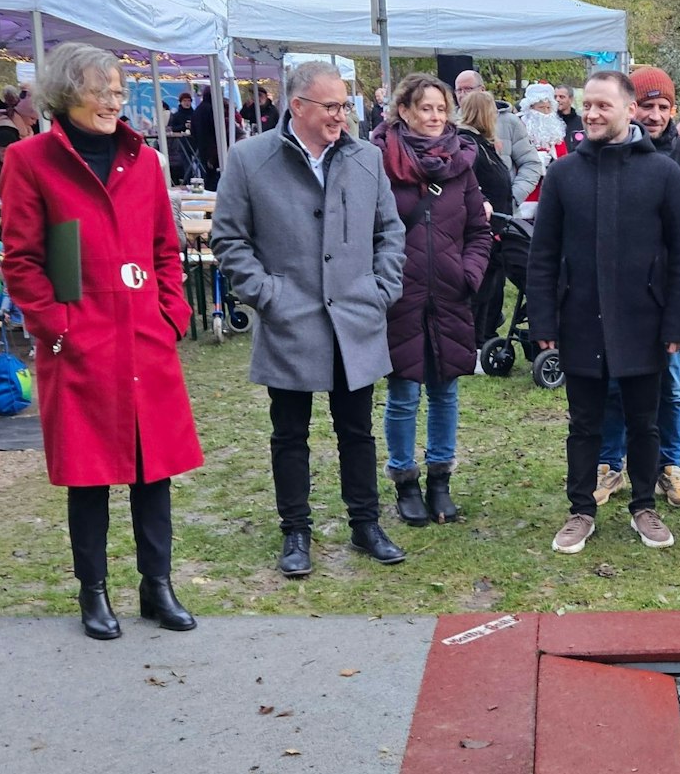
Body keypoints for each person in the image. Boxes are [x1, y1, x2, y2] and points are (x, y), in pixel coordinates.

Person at [0, 43, 203, 640]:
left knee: (152, 469)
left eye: (119, 91)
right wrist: (58, 327)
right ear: (67, 94)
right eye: (102, 91)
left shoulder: (143, 161)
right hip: (79, 343)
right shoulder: (30, 161)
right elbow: (23, 260)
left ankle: (157, 585)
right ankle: (94, 591)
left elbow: (166, 248)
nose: (115, 102)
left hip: (144, 336)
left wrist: (171, 314)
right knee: (89, 475)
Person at [212, 60, 408, 574]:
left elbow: (390, 232)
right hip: (289, 317)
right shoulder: (250, 159)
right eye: (331, 106)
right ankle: (295, 532)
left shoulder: (366, 158)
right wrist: (266, 294)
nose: (341, 116)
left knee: (357, 430)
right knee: (290, 432)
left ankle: (366, 524)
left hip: (355, 317)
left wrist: (381, 288)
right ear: (296, 105)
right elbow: (229, 238)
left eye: (345, 105)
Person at [528, 70, 680, 555]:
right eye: (588, 105)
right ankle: (581, 509)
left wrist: (676, 324)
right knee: (585, 424)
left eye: (603, 105)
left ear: (629, 110)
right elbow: (544, 255)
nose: (592, 112)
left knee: (646, 421)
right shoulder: (563, 174)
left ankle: (644, 505)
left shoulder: (663, 173)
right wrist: (543, 321)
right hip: (580, 318)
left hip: (645, 322)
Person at [373, 76, 493, 524]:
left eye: (442, 109)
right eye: (426, 109)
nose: (436, 117)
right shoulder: (379, 161)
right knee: (403, 393)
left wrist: (470, 274)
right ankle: (405, 481)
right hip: (400, 297)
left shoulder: (461, 164)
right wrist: (382, 281)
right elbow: (367, 229)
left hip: (449, 295)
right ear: (403, 111)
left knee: (445, 391)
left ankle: (440, 479)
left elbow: (480, 231)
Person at [593, 66, 680, 510]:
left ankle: (669, 466)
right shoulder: (610, 153)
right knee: (613, 384)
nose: (655, 115)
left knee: (671, 385)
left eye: (664, 107)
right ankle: (610, 464)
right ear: (630, 107)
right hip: (619, 296)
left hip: (668, 296)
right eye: (647, 105)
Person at [460, 91, 517, 348]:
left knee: (491, 288)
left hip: (496, 227)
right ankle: (473, 341)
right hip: (483, 229)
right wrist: (481, 200)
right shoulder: (469, 144)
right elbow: (463, 179)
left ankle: (484, 337)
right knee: (480, 290)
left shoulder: (482, 143)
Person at [454, 69, 545, 212]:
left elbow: (531, 163)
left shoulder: (510, 122)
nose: (462, 94)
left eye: (468, 89)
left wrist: (512, 197)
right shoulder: (448, 126)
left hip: (503, 214)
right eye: (458, 90)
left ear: (482, 89)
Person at [189, 85, 221, 189]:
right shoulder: (212, 109)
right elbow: (217, 128)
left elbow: (192, 129)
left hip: (202, 145)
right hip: (214, 145)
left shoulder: (198, 110)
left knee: (207, 173)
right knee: (214, 174)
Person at [554, 83, 585, 149]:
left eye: (561, 97)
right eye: (555, 97)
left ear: (571, 99)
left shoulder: (582, 123)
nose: (557, 100)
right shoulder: (549, 122)